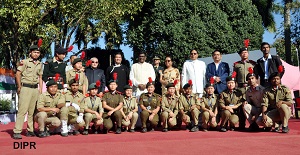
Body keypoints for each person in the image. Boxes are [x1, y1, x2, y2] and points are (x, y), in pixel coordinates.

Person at [13, 45, 43, 139]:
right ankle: (17, 131)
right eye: (34, 52)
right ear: (30, 53)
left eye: (38, 53)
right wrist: (19, 86)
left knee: (32, 111)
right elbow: (18, 74)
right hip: (25, 87)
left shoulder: (39, 64)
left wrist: (40, 90)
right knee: (22, 110)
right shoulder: (24, 62)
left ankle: (30, 130)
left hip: (35, 88)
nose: (36, 54)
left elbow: (40, 77)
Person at [256, 68, 292, 133]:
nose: (275, 80)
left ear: (280, 80)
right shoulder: (266, 91)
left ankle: (285, 126)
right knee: (259, 121)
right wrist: (264, 115)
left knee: (283, 106)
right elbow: (264, 104)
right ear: (270, 80)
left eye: (277, 79)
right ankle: (277, 124)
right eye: (273, 79)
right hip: (273, 111)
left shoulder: (285, 89)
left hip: (285, 111)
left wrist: (282, 102)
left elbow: (290, 103)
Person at [233, 47, 256, 130]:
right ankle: (241, 125)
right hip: (240, 88)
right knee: (240, 107)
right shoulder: (237, 65)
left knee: (251, 106)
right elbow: (234, 77)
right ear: (240, 55)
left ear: (248, 54)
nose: (244, 54)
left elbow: (256, 77)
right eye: (242, 53)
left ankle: (253, 124)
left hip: (250, 88)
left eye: (246, 52)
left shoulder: (253, 64)